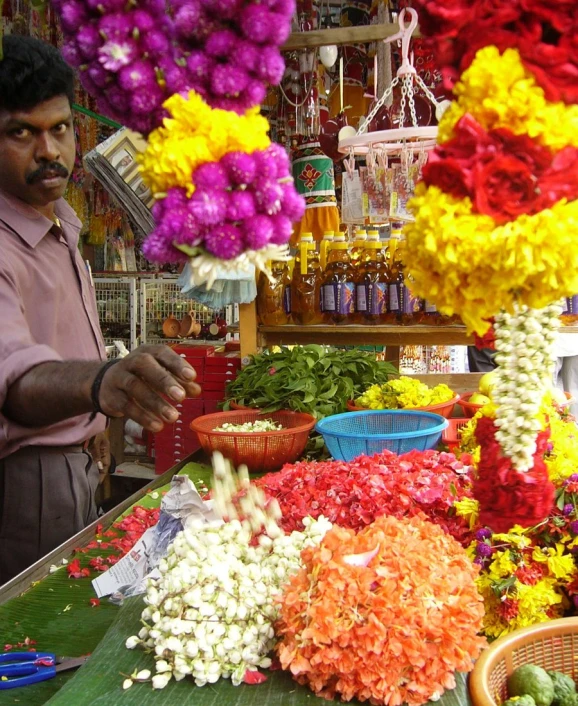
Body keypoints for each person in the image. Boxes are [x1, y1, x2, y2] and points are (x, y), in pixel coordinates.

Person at [0, 36, 201, 585]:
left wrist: (93, 427)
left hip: (76, 460)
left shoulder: (61, 224)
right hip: (26, 481)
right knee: (34, 644)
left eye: (60, 128)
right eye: (22, 132)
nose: (49, 151)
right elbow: (14, 378)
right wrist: (102, 383)